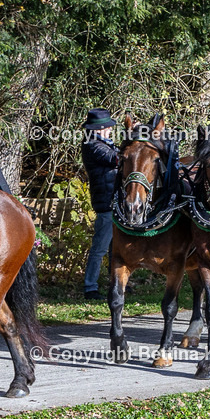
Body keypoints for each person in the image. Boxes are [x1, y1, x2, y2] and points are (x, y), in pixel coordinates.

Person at [82, 108, 118, 300]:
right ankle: (90, 287)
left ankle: (116, 283)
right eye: (109, 127)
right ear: (101, 129)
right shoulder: (93, 145)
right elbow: (115, 159)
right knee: (100, 249)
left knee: (115, 248)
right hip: (106, 202)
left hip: (113, 201)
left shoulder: (104, 143)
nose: (111, 130)